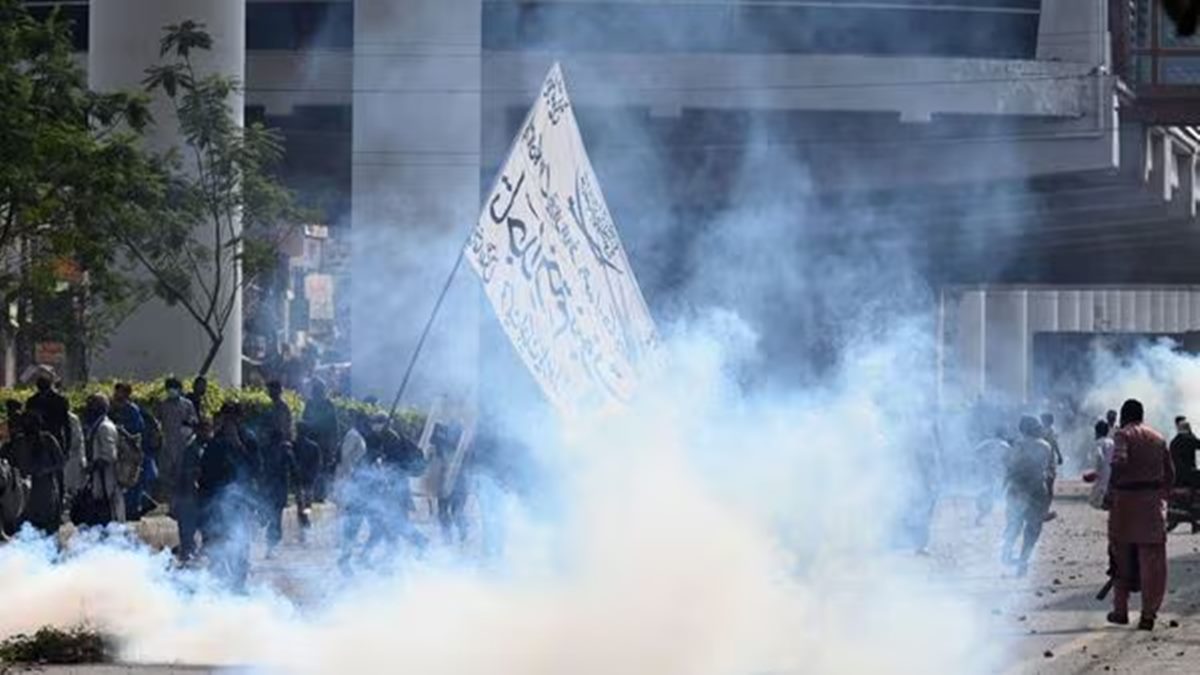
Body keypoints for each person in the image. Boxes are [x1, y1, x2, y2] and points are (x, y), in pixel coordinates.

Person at [1107, 399, 1175, 630]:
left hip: (1125, 504)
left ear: (1123, 417)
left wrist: (1110, 490)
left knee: (1120, 558)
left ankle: (1120, 611)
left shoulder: (1122, 435)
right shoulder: (1158, 437)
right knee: (1152, 563)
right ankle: (1148, 615)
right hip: (1152, 505)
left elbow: (1119, 462)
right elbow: (1170, 473)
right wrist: (1162, 496)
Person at [198, 402, 261, 591]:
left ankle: (239, 584)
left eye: (232, 417)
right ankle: (220, 585)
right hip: (215, 501)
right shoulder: (215, 441)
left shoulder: (248, 439)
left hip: (240, 501)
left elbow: (257, 468)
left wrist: (239, 447)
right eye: (226, 417)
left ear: (240, 419)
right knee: (216, 543)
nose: (228, 422)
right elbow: (206, 471)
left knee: (240, 541)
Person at [1002, 416, 1054, 577]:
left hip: (1017, 490)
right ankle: (1024, 560)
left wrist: (1004, 486)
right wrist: (1048, 500)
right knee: (1032, 529)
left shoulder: (1015, 446)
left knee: (1014, 524)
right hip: (1037, 490)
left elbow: (1008, 469)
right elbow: (1050, 474)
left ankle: (1007, 551)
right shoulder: (1045, 446)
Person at [0, 412, 65, 537]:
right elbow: (9, 464)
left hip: (43, 490)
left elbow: (60, 462)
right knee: (30, 528)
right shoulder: (19, 442)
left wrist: (43, 470)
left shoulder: (47, 439)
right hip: (28, 491)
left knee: (43, 528)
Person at [81, 394, 126, 525]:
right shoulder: (98, 425)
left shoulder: (104, 427)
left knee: (108, 518)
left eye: (91, 405)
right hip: (100, 480)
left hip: (106, 480)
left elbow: (109, 456)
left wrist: (91, 467)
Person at [336, 410, 371, 572]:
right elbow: (346, 458)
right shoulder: (353, 435)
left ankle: (346, 553)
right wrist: (351, 478)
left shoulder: (357, 435)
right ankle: (345, 555)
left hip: (357, 483)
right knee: (351, 520)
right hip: (351, 483)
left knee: (354, 520)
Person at [110, 383, 151, 520]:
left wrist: (123, 430)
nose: (116, 394)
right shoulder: (112, 408)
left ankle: (132, 510)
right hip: (117, 450)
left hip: (129, 452)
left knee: (131, 481)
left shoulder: (132, 410)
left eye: (119, 392)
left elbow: (138, 429)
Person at [157, 377, 198, 509]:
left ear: (179, 390)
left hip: (183, 445)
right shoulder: (163, 405)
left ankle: (181, 503)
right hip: (168, 444)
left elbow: (194, 421)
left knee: (182, 475)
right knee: (168, 476)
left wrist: (188, 425)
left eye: (173, 388)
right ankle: (171, 504)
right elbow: (158, 422)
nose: (171, 391)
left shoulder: (187, 404)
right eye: (168, 388)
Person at [174, 417, 208, 563]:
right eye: (205, 430)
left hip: (195, 497)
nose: (207, 433)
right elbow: (188, 475)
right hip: (189, 497)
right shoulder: (192, 449)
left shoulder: (201, 447)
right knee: (187, 536)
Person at [258, 426, 295, 557]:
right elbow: (293, 468)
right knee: (275, 518)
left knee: (269, 513)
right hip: (279, 489)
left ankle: (261, 530)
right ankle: (270, 546)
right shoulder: (285, 450)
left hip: (266, 487)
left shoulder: (264, 449)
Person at [300, 379, 339, 502]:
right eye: (315, 390)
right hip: (311, 442)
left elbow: (334, 426)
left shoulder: (328, 405)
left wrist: (333, 444)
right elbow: (304, 421)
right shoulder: (310, 404)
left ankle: (320, 494)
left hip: (324, 443)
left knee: (323, 468)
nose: (317, 393)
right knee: (311, 468)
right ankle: (309, 493)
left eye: (319, 390)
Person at [972, 428, 1011, 525]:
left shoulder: (987, 443)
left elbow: (975, 452)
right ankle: (983, 512)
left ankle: (982, 512)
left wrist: (983, 461)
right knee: (992, 493)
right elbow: (1010, 459)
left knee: (987, 492)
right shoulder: (1005, 446)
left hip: (986, 472)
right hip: (998, 473)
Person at [292, 422, 322, 540]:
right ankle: (305, 526)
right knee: (307, 505)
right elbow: (318, 465)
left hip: (298, 479)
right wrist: (313, 476)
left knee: (300, 505)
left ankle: (304, 526)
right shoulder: (314, 446)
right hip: (309, 480)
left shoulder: (293, 445)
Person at [1087, 419, 1117, 510]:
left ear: (1097, 432)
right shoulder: (1112, 442)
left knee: (1093, 500)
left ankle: (1104, 505)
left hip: (1103, 469)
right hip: (1112, 469)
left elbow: (1099, 456)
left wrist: (1097, 469)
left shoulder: (1099, 442)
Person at [1169, 416, 1200, 488]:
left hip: (1178, 479)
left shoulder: (1173, 442)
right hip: (1190, 477)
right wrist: (1191, 434)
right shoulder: (1189, 439)